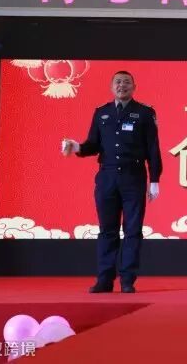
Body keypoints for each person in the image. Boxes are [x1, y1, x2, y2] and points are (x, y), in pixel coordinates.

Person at [61, 70, 162, 294]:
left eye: (126, 82)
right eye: (118, 82)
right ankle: (104, 279)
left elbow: (153, 149)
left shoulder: (145, 113)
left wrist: (155, 179)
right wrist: (76, 147)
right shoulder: (102, 112)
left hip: (133, 177)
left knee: (132, 230)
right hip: (107, 177)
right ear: (111, 87)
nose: (121, 86)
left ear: (134, 87)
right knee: (107, 230)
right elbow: (93, 145)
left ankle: (127, 280)